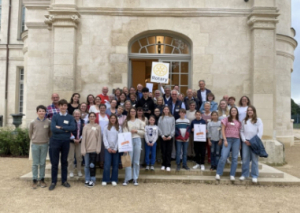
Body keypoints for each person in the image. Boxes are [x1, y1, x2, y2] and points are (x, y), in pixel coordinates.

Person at [49, 99, 76, 191]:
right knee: (54, 163)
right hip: (55, 141)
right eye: (61, 105)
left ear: (67, 107)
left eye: (65, 105)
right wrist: (66, 130)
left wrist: (60, 127)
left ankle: (64, 181)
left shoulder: (70, 117)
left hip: (65, 141)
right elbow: (53, 129)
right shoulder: (55, 117)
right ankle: (53, 182)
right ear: (59, 107)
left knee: (64, 162)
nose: (63, 107)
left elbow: (73, 127)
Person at [216, 107, 241, 181]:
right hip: (228, 139)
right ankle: (218, 173)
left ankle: (232, 175)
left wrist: (239, 143)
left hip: (236, 140)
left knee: (235, 158)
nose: (233, 111)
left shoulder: (239, 121)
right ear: (230, 112)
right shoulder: (226, 119)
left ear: (237, 112)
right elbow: (223, 129)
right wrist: (225, 139)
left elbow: (239, 132)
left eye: (235, 110)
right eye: (232, 110)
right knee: (223, 156)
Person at [239, 106, 263, 183]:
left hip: (255, 142)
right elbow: (241, 131)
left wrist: (253, 141)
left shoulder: (258, 120)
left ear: (254, 111)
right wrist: (244, 140)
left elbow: (260, 132)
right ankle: (244, 174)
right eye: (248, 110)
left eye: (251, 110)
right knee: (245, 159)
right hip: (246, 142)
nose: (249, 111)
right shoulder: (244, 121)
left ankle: (254, 175)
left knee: (254, 159)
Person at [29, 105, 51, 189]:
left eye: (43, 111)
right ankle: (34, 180)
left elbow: (50, 133)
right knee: (35, 163)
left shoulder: (48, 122)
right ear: (37, 112)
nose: (41, 112)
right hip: (35, 144)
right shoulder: (32, 122)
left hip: (44, 144)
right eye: (40, 111)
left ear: (45, 112)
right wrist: (34, 140)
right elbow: (30, 133)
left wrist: (46, 140)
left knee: (42, 163)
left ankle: (42, 179)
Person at [123, 107, 145, 186]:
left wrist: (136, 131)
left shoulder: (139, 121)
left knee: (136, 160)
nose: (132, 112)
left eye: (134, 111)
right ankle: (127, 178)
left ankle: (135, 177)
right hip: (129, 141)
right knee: (128, 160)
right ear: (129, 112)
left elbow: (143, 132)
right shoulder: (126, 122)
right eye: (131, 111)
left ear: (135, 112)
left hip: (137, 140)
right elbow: (124, 133)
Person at [81, 112, 101, 188]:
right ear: (88, 118)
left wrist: (98, 148)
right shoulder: (85, 127)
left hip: (94, 149)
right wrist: (83, 149)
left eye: (93, 116)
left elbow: (99, 139)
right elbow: (83, 139)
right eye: (90, 116)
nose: (92, 117)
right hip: (86, 149)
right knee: (86, 165)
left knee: (92, 165)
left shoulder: (98, 127)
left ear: (95, 118)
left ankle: (92, 180)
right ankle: (87, 179)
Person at [102, 114, 121, 186]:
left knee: (115, 165)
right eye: (111, 118)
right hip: (108, 149)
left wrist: (116, 148)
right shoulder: (106, 127)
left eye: (114, 118)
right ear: (109, 119)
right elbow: (104, 138)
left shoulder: (119, 127)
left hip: (116, 149)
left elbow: (120, 138)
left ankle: (114, 179)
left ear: (116, 119)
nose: (113, 119)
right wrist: (108, 147)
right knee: (107, 164)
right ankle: (105, 179)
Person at [158, 106, 175, 172]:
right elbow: (159, 127)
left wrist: (170, 136)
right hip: (163, 137)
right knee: (163, 151)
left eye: (167, 109)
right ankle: (163, 164)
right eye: (164, 109)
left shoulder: (172, 118)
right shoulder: (160, 118)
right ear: (163, 110)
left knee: (169, 151)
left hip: (169, 137)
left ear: (169, 110)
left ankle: (168, 165)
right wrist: (162, 135)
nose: (166, 110)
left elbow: (173, 127)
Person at [68, 110, 84, 178]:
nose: (77, 115)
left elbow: (84, 131)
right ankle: (71, 171)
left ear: (80, 115)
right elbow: (68, 130)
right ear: (73, 114)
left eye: (78, 114)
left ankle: (79, 171)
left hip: (80, 141)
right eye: (75, 114)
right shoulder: (70, 121)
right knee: (71, 157)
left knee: (79, 157)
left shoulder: (83, 122)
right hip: (71, 141)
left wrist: (80, 139)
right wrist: (73, 139)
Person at [95, 104, 109, 169]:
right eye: (101, 108)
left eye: (104, 108)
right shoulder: (96, 115)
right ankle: (97, 161)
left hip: (106, 135)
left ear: (105, 109)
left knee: (104, 149)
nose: (102, 109)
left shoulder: (108, 116)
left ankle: (102, 162)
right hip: (98, 134)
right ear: (99, 108)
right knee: (98, 148)